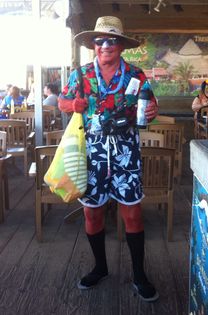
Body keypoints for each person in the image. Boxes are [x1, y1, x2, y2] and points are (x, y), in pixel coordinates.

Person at [58, 16, 159, 302]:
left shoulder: (136, 74)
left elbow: (151, 105)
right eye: (100, 40)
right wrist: (71, 104)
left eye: (111, 40)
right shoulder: (80, 74)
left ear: (121, 46)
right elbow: (63, 101)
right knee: (92, 212)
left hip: (127, 154)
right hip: (93, 155)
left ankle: (139, 274)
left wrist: (151, 111)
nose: (105, 45)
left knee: (133, 213)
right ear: (93, 44)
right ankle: (100, 267)